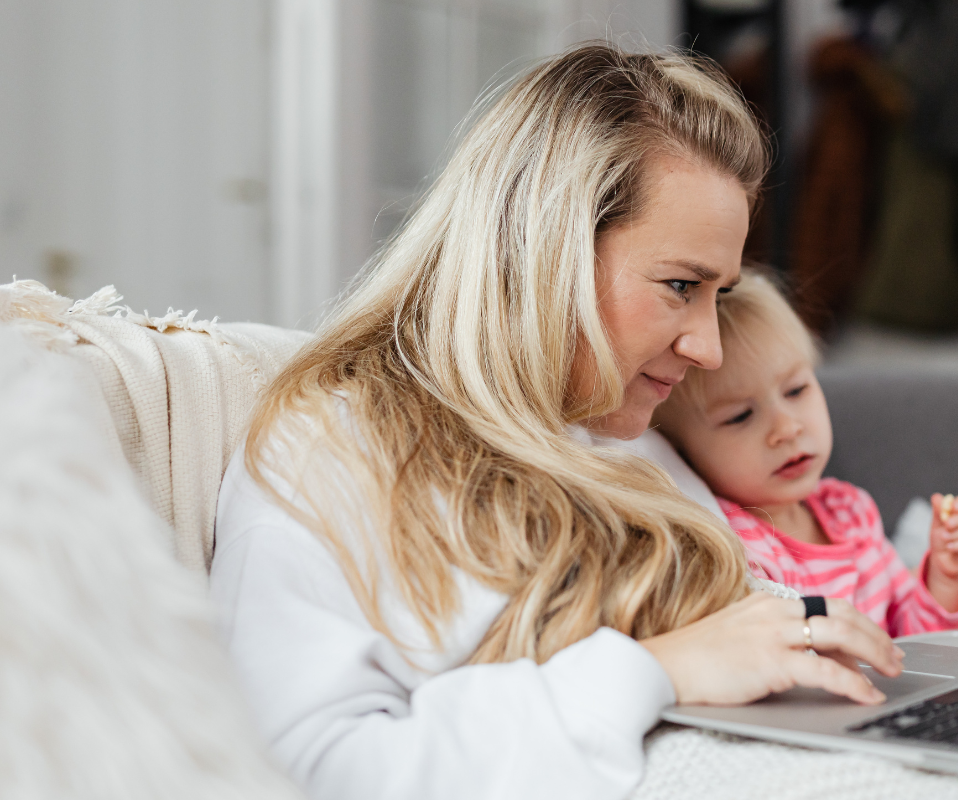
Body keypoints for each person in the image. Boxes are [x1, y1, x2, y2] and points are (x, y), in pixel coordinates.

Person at [208, 44, 905, 800]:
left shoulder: (630, 432)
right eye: (680, 286)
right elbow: (307, 771)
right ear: (546, 251)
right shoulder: (331, 450)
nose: (707, 348)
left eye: (720, 294)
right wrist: (658, 671)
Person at [653, 271, 958, 637]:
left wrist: (946, 576)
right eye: (740, 416)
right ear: (683, 454)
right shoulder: (731, 546)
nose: (787, 428)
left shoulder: (851, 512)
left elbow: (916, 644)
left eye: (797, 390)